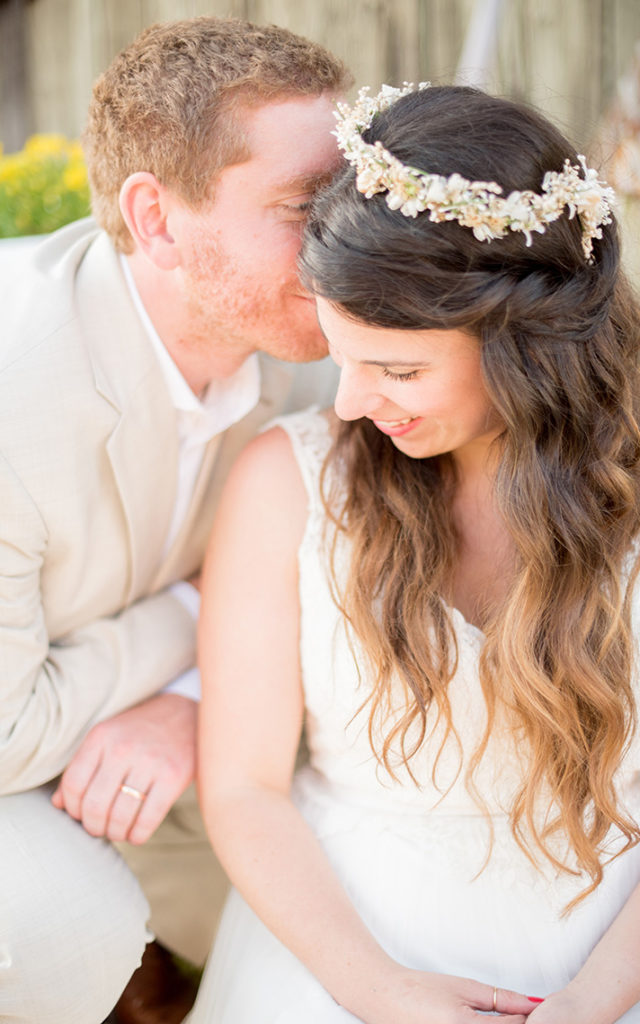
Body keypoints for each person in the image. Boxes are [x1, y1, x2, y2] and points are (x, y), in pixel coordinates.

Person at [191, 83, 640, 1023]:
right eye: (341, 359)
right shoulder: (287, 483)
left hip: (623, 943)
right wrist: (376, 991)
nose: (347, 405)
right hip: (348, 941)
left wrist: (590, 1006)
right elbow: (245, 789)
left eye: (398, 370)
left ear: (526, 348)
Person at [0, 16, 351, 1024]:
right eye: (300, 206)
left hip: (126, 717)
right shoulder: (12, 397)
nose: (345, 238)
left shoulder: (332, 341)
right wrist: (204, 613)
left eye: (349, 196)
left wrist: (196, 695)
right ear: (156, 220)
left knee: (345, 928)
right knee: (69, 923)